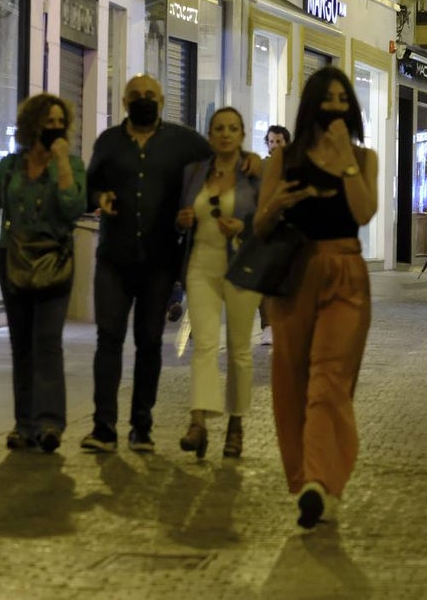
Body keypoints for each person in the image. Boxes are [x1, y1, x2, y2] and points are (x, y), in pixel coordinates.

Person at [82, 75, 259, 454]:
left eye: (150, 95)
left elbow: (234, 171)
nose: (143, 100)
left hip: (161, 262)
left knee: (150, 343)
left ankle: (143, 428)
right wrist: (100, 195)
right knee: (109, 340)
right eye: (136, 96)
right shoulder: (110, 143)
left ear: (161, 100)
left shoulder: (185, 143)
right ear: (125, 101)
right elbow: (88, 188)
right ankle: (105, 427)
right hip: (117, 258)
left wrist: (252, 161)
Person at [255, 66, 378, 529]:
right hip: (294, 275)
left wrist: (346, 157)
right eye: (326, 98)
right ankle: (306, 475)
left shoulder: (364, 158)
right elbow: (261, 225)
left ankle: (320, 482)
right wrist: (277, 205)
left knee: (330, 378)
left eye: (342, 98)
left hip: (346, 273)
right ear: (311, 105)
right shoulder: (282, 160)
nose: (335, 106)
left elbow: (364, 212)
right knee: (293, 381)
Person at [0, 94, 87, 453]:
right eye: (48, 122)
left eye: (61, 122)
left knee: (47, 343)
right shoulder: (11, 166)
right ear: (33, 126)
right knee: (22, 346)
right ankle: (23, 424)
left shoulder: (72, 165)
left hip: (55, 262)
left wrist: (60, 164)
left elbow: (73, 209)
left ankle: (50, 423)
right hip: (12, 261)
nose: (55, 128)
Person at [175, 107, 262, 459]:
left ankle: (235, 425)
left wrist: (245, 227)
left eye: (232, 128)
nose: (225, 134)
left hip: (242, 267)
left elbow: (271, 218)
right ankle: (198, 422)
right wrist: (182, 220)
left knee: (240, 350)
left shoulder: (256, 172)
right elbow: (182, 217)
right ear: (210, 136)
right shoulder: (194, 172)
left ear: (242, 135)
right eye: (219, 128)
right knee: (204, 345)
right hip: (201, 265)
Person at [256, 124, 291, 345]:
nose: (275, 145)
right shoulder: (260, 167)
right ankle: (268, 325)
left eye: (279, 141)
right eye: (271, 141)